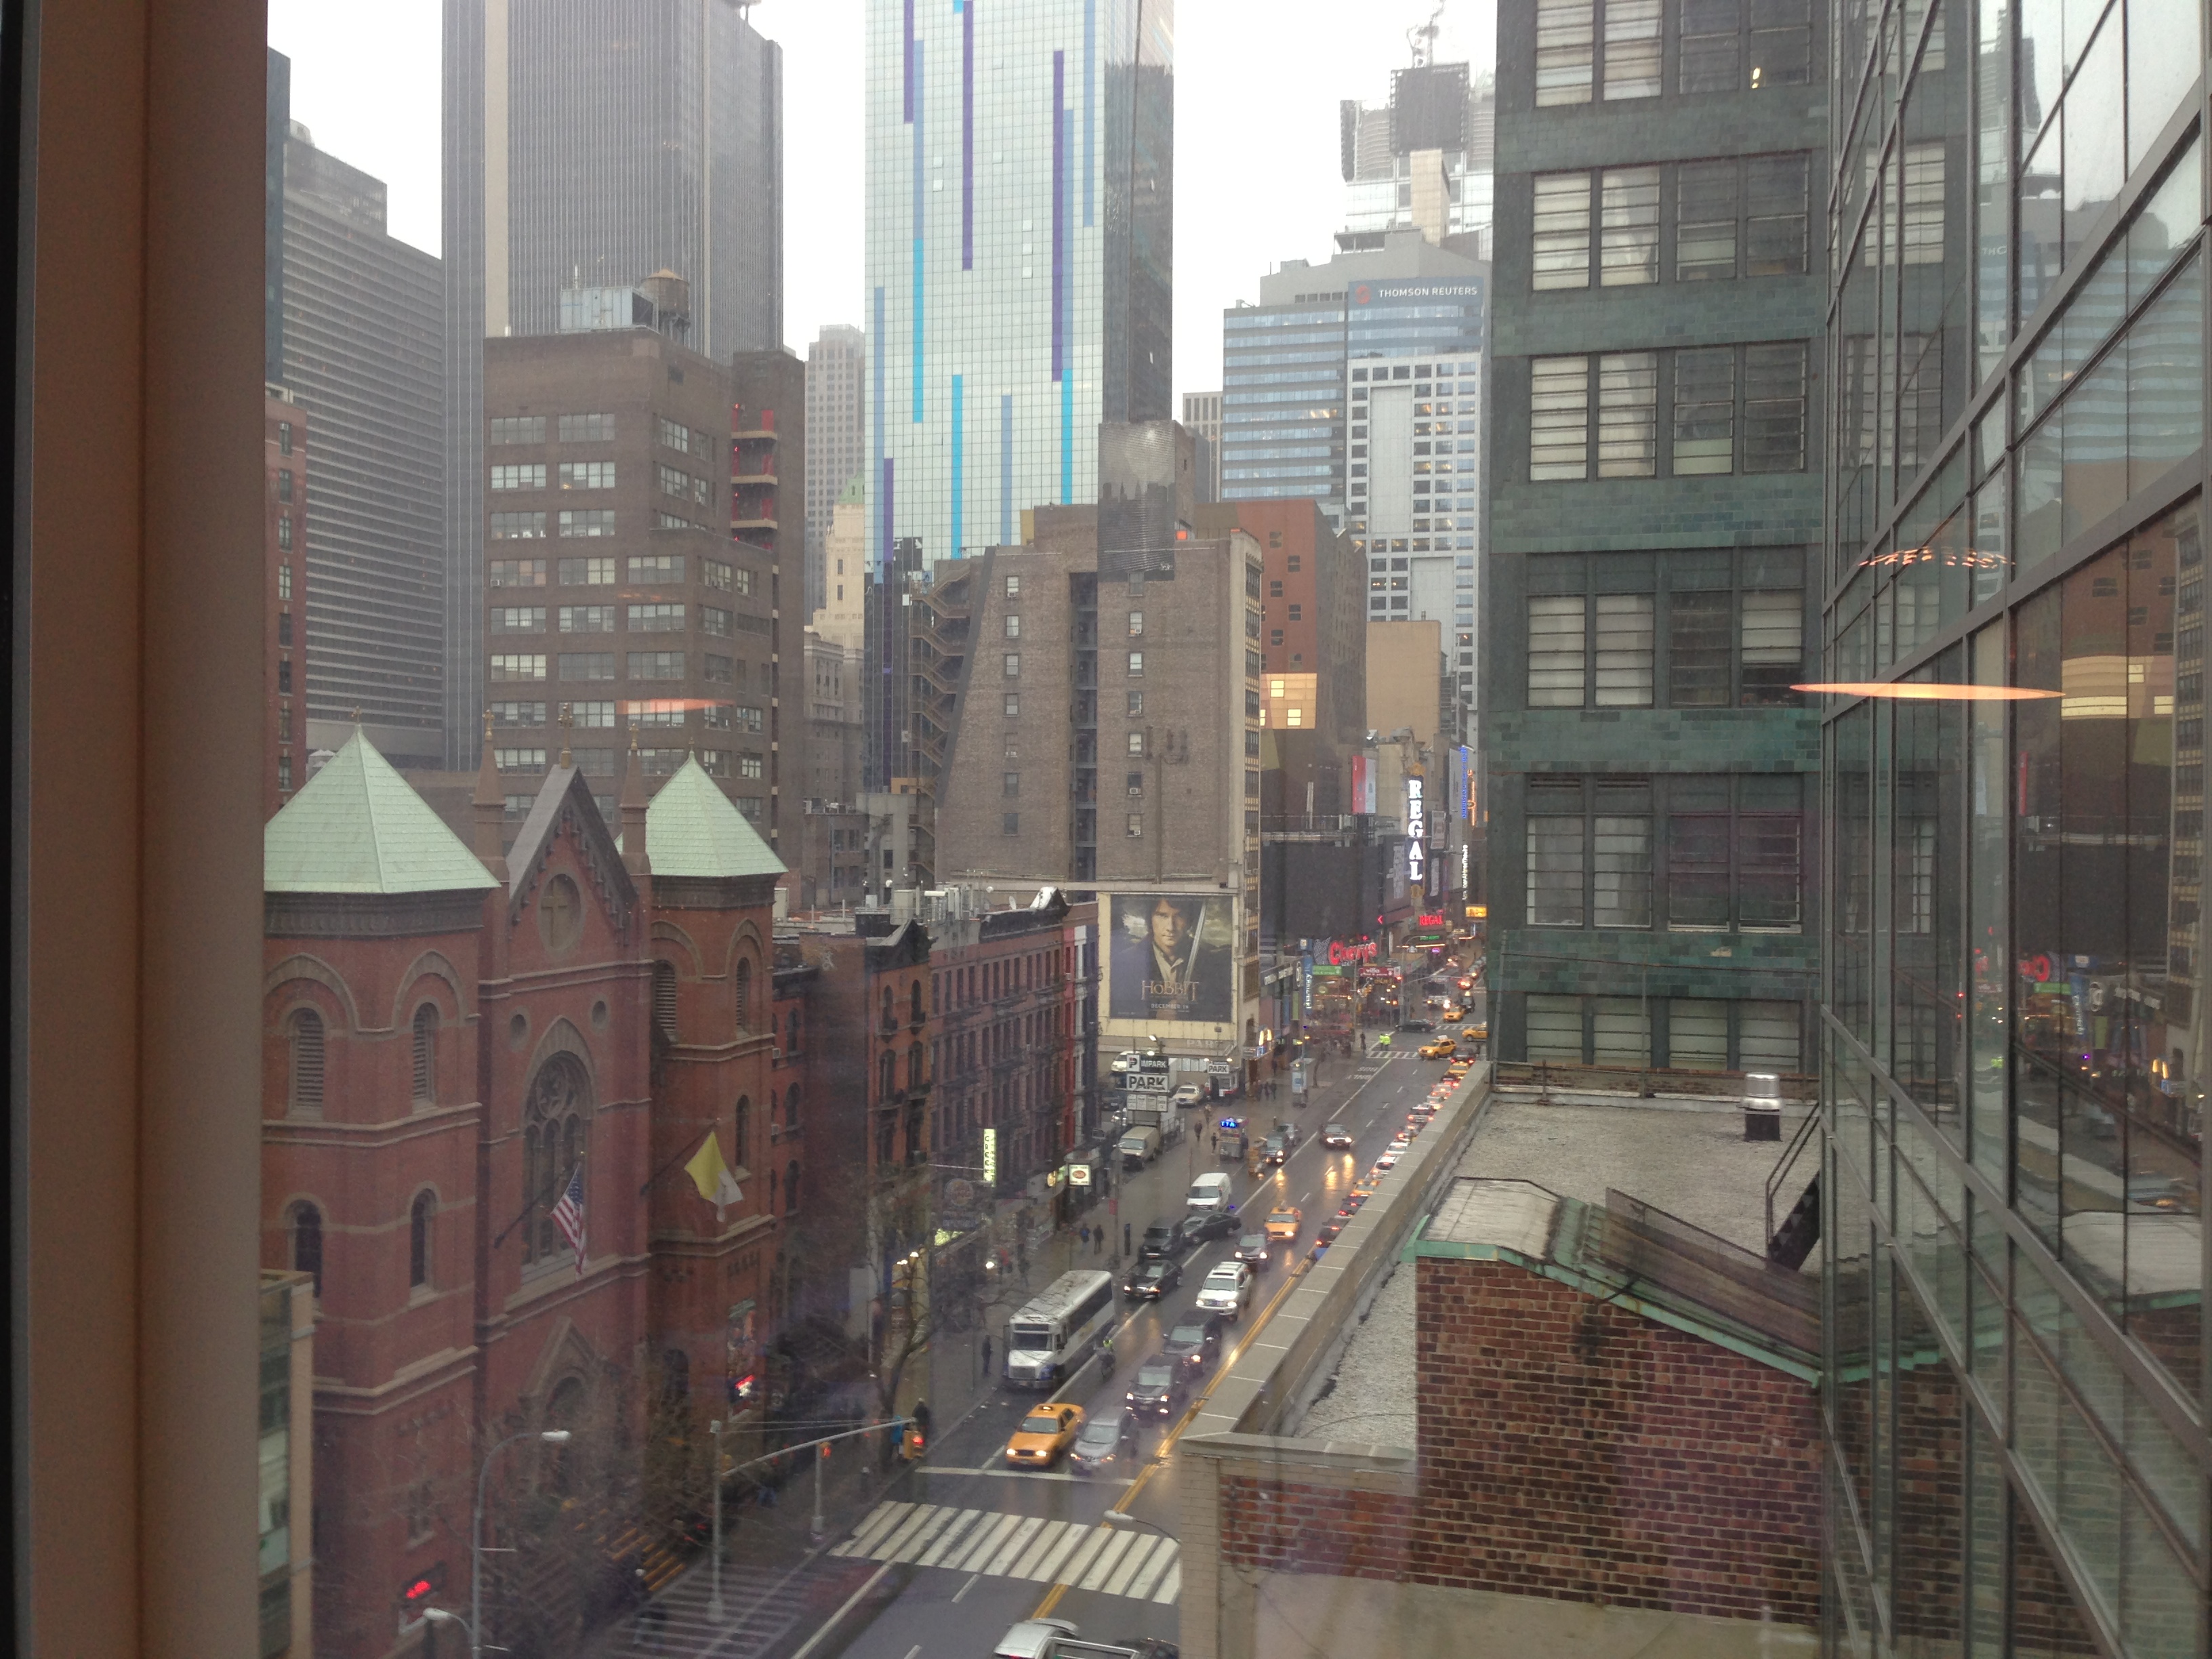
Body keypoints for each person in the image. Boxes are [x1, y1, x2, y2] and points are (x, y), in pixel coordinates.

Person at [1110, 895, 1233, 1022]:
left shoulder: (1211, 963)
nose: (1171, 927)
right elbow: (1117, 1009)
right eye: (1162, 916)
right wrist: (1154, 1016)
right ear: (1150, 919)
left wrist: (1191, 1014)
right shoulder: (1124, 963)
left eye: (1179, 916)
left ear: (1190, 920)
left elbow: (1220, 1009)